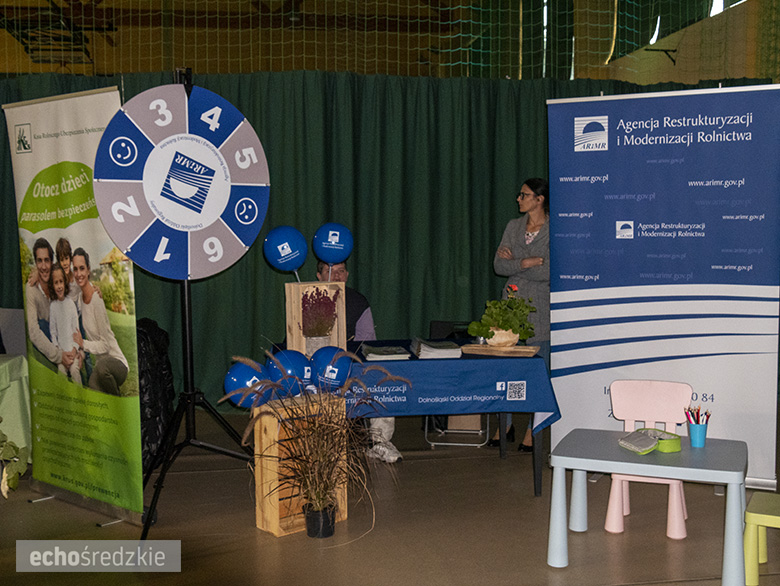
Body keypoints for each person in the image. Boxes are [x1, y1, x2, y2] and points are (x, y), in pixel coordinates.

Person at [316, 260, 401, 464]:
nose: (337, 276)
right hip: (317, 366)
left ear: (347, 275)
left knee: (382, 377)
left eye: (341, 271)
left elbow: (368, 342)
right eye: (330, 271)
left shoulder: (358, 301)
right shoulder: (306, 298)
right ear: (319, 276)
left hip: (351, 363)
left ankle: (380, 442)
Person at [491, 178, 550, 451]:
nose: (518, 199)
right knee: (509, 368)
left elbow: (548, 271)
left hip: (540, 308)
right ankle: (505, 424)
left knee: (538, 370)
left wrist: (514, 263)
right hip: (511, 304)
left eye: (524, 195)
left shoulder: (554, 228)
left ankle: (532, 429)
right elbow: (498, 266)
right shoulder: (513, 227)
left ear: (539, 199)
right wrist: (526, 262)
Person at [71, 248, 129, 396]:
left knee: (103, 367)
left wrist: (83, 344)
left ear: (89, 270)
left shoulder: (97, 300)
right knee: (93, 389)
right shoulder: (79, 298)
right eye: (75, 269)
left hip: (116, 364)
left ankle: (118, 400)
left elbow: (105, 345)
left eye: (82, 268)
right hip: (101, 367)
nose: (78, 274)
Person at [25, 238, 77, 373]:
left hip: (65, 336)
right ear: (35, 263)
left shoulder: (56, 282)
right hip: (51, 341)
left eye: (46, 260)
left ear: (52, 261)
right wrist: (59, 356)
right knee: (41, 324)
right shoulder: (31, 288)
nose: (43, 266)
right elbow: (33, 332)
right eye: (39, 261)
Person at [48, 264, 83, 384]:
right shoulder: (53, 306)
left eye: (61, 282)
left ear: (65, 283)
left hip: (73, 352)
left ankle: (80, 399)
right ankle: (64, 401)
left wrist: (74, 350)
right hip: (61, 354)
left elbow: (76, 329)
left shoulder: (70, 304)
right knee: (61, 374)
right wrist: (60, 353)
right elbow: (53, 333)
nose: (59, 286)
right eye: (56, 283)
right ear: (52, 285)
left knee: (74, 372)